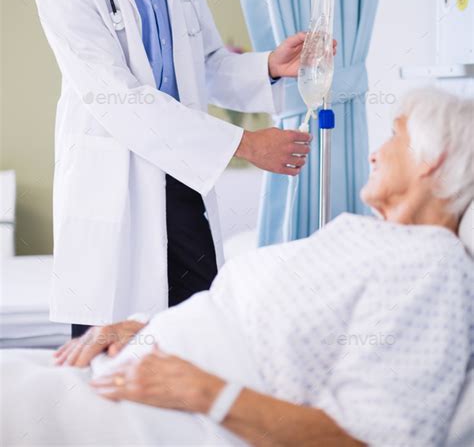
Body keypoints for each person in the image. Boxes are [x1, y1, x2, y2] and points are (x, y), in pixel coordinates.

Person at [1, 87, 472, 446]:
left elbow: (371, 436)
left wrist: (204, 392)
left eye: (394, 135)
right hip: (145, 373)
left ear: (434, 158)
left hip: (179, 411)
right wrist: (141, 327)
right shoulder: (371, 236)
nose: (374, 151)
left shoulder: (435, 264)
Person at [35, 0, 325, 338]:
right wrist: (244, 144)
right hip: (116, 186)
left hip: (186, 178)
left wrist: (268, 65)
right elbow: (115, 97)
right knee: (108, 366)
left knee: (200, 338)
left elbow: (209, 66)